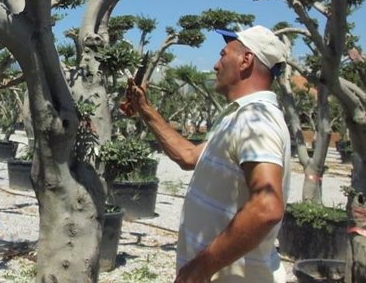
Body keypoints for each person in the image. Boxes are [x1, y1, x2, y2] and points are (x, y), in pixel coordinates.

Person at [124, 25, 291, 283]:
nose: (215, 64)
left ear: (246, 60)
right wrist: (144, 109)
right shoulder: (238, 117)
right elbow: (188, 155)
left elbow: (266, 207)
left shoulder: (257, 120)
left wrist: (200, 269)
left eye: (223, 55)